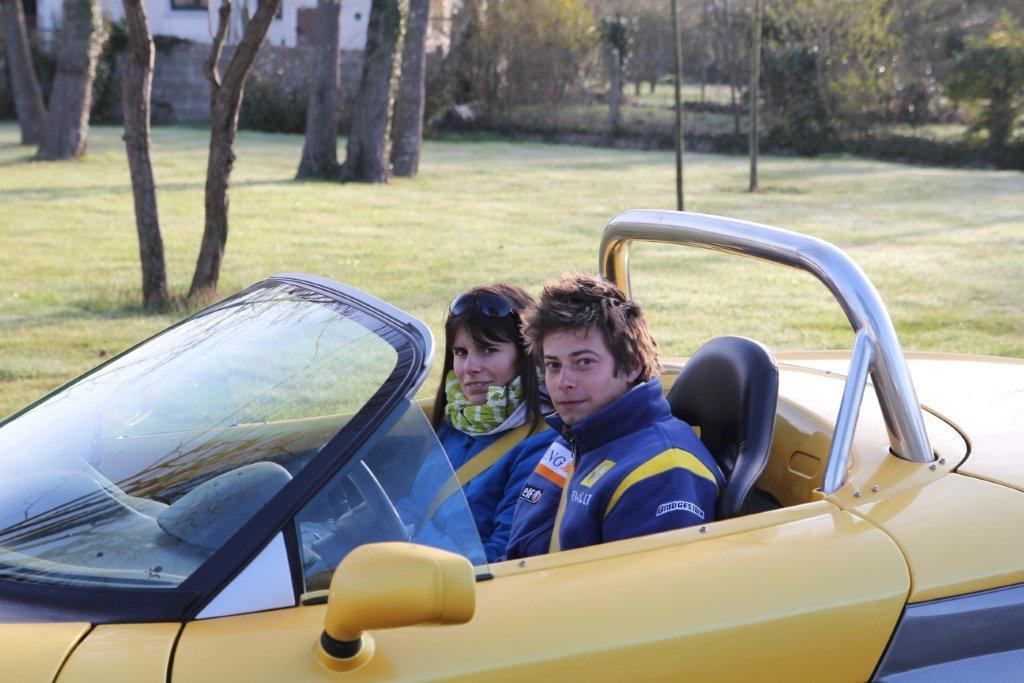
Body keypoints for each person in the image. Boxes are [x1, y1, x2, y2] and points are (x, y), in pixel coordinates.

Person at [505, 273, 723, 559]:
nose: (563, 382)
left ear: (632, 365)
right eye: (553, 365)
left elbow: (644, 585)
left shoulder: (663, 473)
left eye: (584, 362)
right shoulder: (576, 435)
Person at [396, 284, 557, 563]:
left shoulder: (540, 446)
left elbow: (501, 557)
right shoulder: (459, 419)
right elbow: (416, 505)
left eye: (487, 350)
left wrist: (406, 545)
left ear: (526, 354)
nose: (470, 367)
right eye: (461, 352)